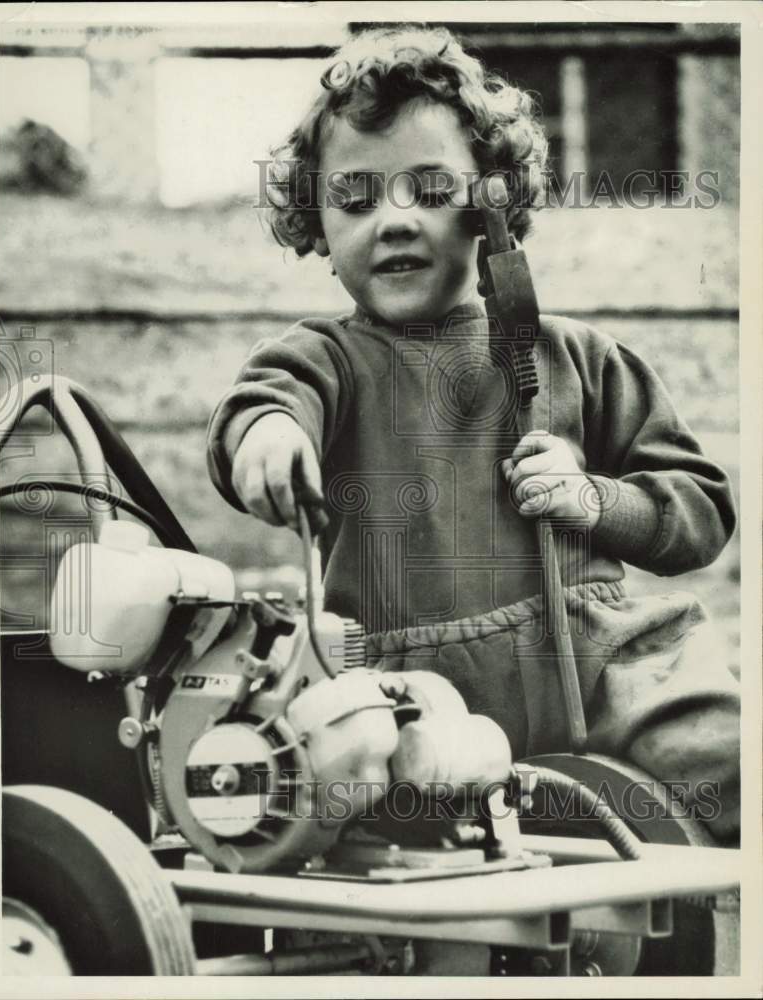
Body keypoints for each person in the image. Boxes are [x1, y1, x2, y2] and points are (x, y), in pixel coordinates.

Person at [207, 26, 740, 842]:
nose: (391, 220)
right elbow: (264, 403)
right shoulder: (326, 359)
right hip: (412, 698)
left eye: (429, 189)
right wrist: (269, 436)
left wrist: (595, 500)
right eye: (354, 199)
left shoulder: (577, 358)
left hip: (600, 671)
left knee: (726, 755)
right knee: (337, 819)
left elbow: (699, 513)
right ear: (315, 221)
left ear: (494, 203)